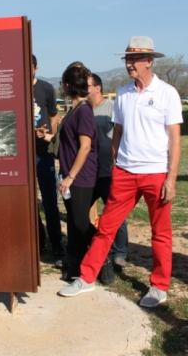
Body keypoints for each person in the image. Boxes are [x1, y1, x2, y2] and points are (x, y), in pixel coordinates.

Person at [58, 36, 183, 308]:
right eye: (126, 59)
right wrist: (115, 161)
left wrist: (171, 177)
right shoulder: (124, 94)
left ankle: (159, 286)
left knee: (160, 233)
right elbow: (118, 132)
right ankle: (87, 277)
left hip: (156, 173)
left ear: (149, 61)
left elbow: (175, 138)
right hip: (125, 172)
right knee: (106, 229)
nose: (129, 64)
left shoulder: (167, 93)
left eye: (134, 59)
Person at [39, 65, 105, 280]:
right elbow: (65, 144)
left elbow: (85, 147)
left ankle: (102, 258)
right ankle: (77, 267)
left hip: (80, 176)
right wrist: (44, 135)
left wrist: (70, 176)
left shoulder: (84, 111)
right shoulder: (74, 110)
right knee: (76, 227)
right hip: (70, 175)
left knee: (79, 222)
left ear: (66, 86)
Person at [87, 73, 129, 271]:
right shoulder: (82, 109)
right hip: (88, 173)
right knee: (80, 213)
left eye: (87, 86)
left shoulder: (111, 107)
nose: (84, 90)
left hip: (109, 171)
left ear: (98, 88)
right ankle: (90, 249)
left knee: (116, 217)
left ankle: (119, 253)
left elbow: (123, 134)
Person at [32, 54, 64, 257]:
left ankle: (57, 244)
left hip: (43, 154)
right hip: (24, 157)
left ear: (35, 67)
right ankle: (39, 241)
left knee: (50, 202)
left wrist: (49, 139)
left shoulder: (45, 88)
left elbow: (53, 116)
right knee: (29, 203)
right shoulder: (12, 88)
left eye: (29, 66)